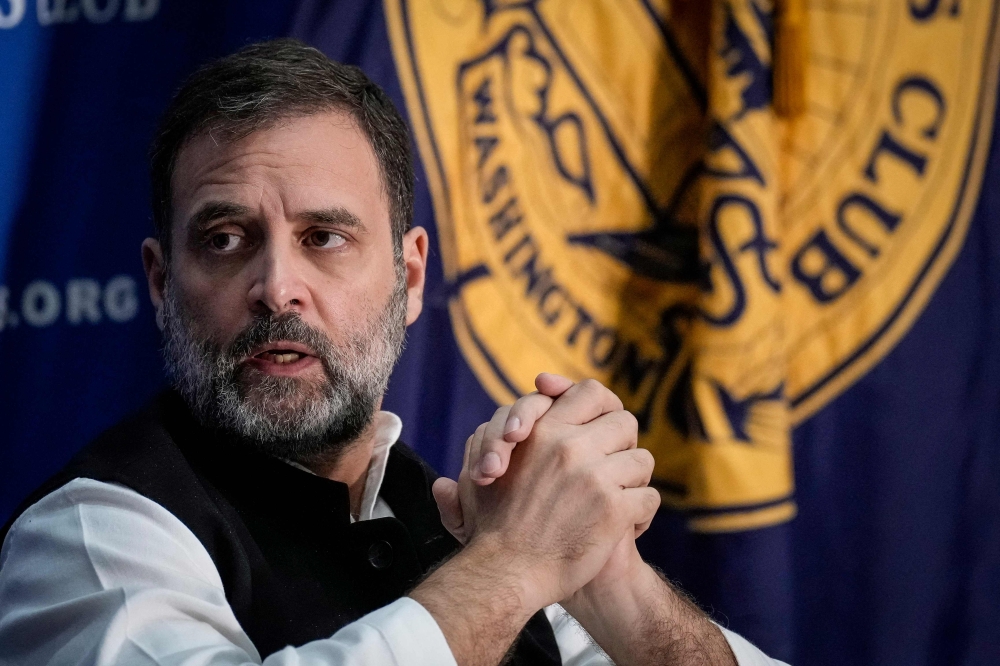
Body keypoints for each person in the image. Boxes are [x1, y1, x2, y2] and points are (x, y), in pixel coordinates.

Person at [0, 39, 787, 666]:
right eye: (225, 239)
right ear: (162, 283)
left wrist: (611, 579)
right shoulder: (90, 535)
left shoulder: (469, 524)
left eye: (325, 238)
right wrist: (514, 565)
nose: (278, 287)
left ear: (410, 277)